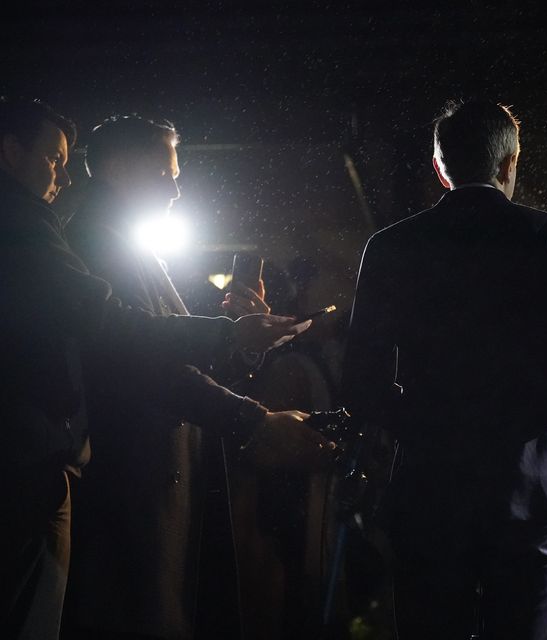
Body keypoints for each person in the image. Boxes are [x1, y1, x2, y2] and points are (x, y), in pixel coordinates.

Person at [0, 98, 326, 640]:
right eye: (163, 173)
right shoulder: (88, 242)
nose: (175, 190)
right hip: (125, 493)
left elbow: (168, 350)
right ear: (117, 169)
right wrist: (251, 412)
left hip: (150, 485)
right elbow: (136, 355)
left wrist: (240, 340)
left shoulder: (132, 246)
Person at [340, 99, 547, 639]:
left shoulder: (391, 248)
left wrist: (430, 425)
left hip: (428, 493)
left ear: (441, 168)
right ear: (510, 162)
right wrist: (526, 421)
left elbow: (360, 384)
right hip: (529, 491)